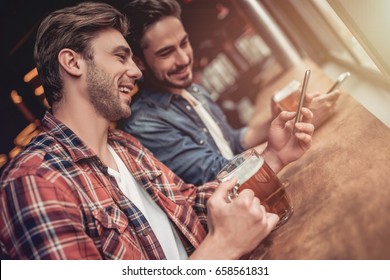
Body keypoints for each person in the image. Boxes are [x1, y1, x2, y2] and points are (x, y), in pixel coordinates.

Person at [0, 2, 313, 260]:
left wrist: (272, 157)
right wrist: (222, 249)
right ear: (73, 62)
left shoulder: (125, 146)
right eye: (120, 57)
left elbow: (196, 205)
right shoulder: (33, 181)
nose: (136, 71)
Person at [121, 0, 338, 185]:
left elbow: (232, 142)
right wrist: (293, 130)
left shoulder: (193, 90)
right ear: (139, 62)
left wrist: (279, 118)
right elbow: (220, 175)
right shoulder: (142, 122)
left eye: (184, 43)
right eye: (166, 53)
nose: (184, 59)